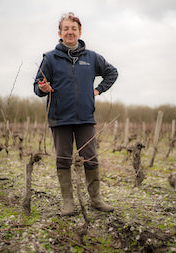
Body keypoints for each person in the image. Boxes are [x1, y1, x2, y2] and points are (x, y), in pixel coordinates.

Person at [33, 12, 118, 216]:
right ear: (60, 33)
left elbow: (112, 72)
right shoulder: (50, 59)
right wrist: (43, 88)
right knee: (63, 160)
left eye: (73, 29)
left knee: (91, 159)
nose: (70, 32)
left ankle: (96, 200)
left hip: (85, 118)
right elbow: (37, 87)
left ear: (79, 32)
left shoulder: (92, 58)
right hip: (59, 118)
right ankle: (68, 203)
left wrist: (97, 90)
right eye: (66, 29)